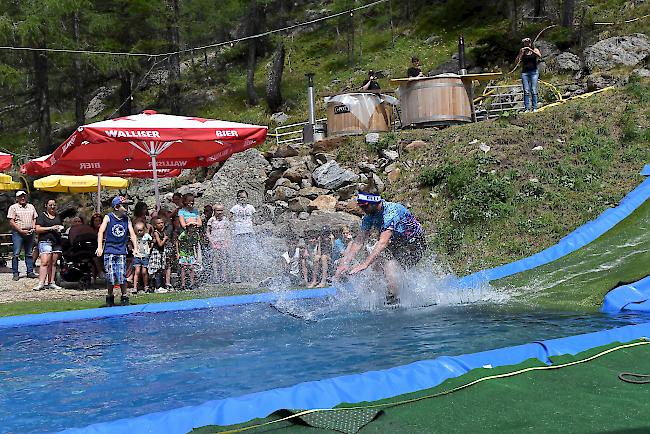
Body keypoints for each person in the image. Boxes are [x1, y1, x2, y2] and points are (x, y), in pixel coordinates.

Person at [333, 192, 426, 305]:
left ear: (374, 203)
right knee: (376, 268)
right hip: (396, 243)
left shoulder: (391, 212)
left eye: (365, 206)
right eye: (360, 206)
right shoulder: (369, 216)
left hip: (414, 244)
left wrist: (364, 264)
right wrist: (346, 262)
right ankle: (375, 298)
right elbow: (360, 240)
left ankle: (394, 300)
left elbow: (383, 242)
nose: (362, 209)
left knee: (389, 267)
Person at [96, 195, 138, 307]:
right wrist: (100, 247)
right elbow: (101, 232)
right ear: (116, 207)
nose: (127, 208)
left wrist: (136, 248)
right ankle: (110, 296)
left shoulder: (126, 219)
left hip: (121, 251)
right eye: (124, 206)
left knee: (121, 275)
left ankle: (124, 296)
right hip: (109, 250)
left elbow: (132, 234)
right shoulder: (108, 217)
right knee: (110, 275)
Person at [34, 199, 64, 291]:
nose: (52, 207)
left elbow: (60, 226)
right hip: (45, 240)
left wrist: (59, 228)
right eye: (50, 205)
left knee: (54, 263)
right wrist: (51, 228)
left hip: (56, 241)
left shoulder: (58, 216)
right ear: (46, 205)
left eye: (54, 205)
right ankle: (41, 283)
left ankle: (51, 282)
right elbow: (37, 229)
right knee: (44, 262)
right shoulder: (42, 216)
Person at [7, 191, 38, 281]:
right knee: (16, 253)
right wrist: (20, 230)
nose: (23, 198)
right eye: (20, 197)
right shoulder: (13, 208)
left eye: (24, 196)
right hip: (18, 233)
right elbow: (11, 221)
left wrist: (33, 227)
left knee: (29, 253)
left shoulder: (31, 206)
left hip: (30, 232)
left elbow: (34, 218)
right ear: (17, 198)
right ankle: (15, 273)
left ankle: (30, 272)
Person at [230, 189, 256, 283]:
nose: (242, 199)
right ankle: (238, 276)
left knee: (250, 255)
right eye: (240, 197)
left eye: (244, 197)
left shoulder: (251, 207)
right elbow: (230, 219)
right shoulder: (235, 208)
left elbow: (255, 218)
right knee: (238, 255)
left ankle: (251, 276)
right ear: (237, 198)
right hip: (238, 233)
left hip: (249, 232)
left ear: (247, 198)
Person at [515, 37, 542, 112]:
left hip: (534, 72)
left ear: (530, 43)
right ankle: (527, 108)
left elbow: (539, 56)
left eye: (528, 42)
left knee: (533, 89)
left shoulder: (535, 49)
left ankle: (535, 107)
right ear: (523, 44)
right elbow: (516, 62)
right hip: (525, 73)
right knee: (526, 90)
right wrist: (520, 53)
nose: (527, 44)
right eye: (526, 42)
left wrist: (531, 50)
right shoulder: (522, 52)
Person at [207, 203, 230, 284]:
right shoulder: (212, 220)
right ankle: (216, 277)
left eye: (221, 210)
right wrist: (211, 241)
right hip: (215, 242)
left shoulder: (225, 219)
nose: (220, 212)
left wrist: (228, 240)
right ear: (214, 211)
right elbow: (208, 231)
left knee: (224, 260)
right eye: (218, 210)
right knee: (215, 260)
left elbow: (228, 230)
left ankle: (224, 277)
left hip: (223, 241)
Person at [148, 217, 169, 292]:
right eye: (158, 223)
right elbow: (160, 244)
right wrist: (164, 239)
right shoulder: (156, 233)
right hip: (156, 252)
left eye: (162, 223)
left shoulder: (163, 232)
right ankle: (156, 286)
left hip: (161, 253)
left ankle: (159, 286)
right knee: (155, 270)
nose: (161, 224)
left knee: (160, 269)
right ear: (155, 226)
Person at [132, 221, 152, 293]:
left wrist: (149, 249)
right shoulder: (135, 237)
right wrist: (133, 250)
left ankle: (146, 286)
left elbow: (151, 241)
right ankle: (135, 287)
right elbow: (130, 244)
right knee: (137, 271)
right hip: (137, 256)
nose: (140, 232)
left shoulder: (146, 236)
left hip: (145, 256)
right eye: (138, 230)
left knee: (144, 272)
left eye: (141, 230)